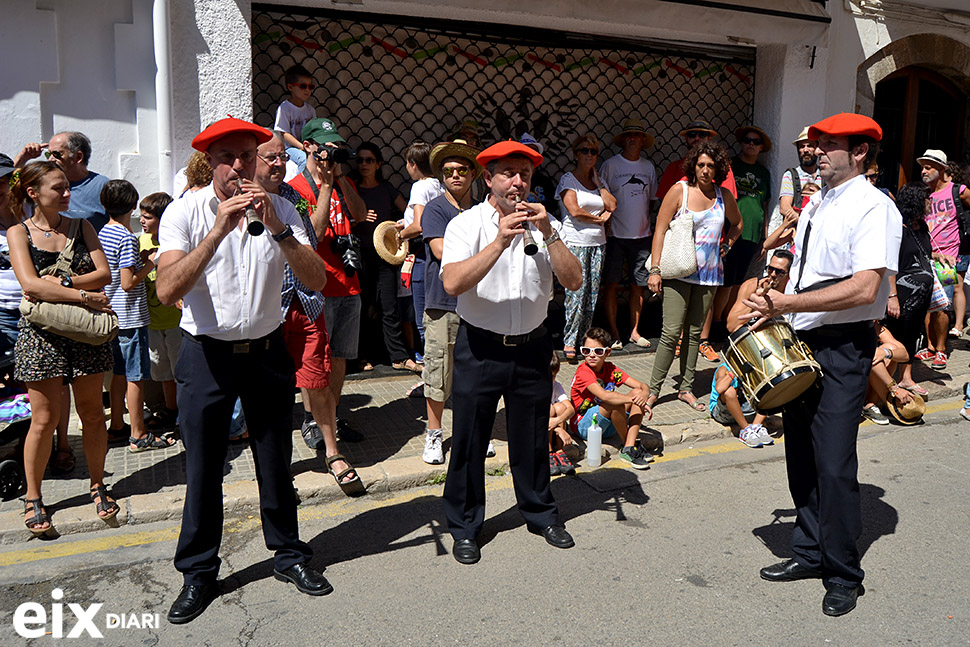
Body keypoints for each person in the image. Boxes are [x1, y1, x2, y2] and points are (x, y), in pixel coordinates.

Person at [156, 117, 331, 624]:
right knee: (204, 466)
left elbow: (315, 279)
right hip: (205, 353)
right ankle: (198, 572)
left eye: (248, 156)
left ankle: (289, 555)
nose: (240, 166)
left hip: (266, 349)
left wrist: (277, 229)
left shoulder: (282, 210)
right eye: (229, 157)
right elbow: (168, 291)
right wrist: (217, 230)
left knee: (275, 459)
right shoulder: (183, 214)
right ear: (211, 162)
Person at [743, 113, 901, 616]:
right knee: (802, 456)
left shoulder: (875, 207)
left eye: (829, 144)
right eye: (816, 144)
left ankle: (843, 573)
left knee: (833, 463)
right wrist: (775, 290)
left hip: (842, 345)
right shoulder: (817, 201)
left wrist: (788, 306)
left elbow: (866, 287)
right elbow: (806, 268)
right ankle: (809, 552)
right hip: (804, 336)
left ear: (859, 152)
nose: (817, 151)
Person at [440, 140, 583, 564]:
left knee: (532, 436)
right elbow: (452, 284)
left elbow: (573, 281)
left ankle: (540, 513)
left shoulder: (546, 223)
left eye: (524, 172)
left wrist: (551, 233)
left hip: (532, 346)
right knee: (468, 440)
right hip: (480, 346)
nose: (517, 181)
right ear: (489, 179)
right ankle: (465, 525)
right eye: (507, 173)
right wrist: (500, 242)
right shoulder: (467, 225)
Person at [8, 161, 118, 536]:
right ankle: (33, 496)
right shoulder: (18, 232)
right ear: (33, 193)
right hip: (42, 335)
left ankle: (98, 484)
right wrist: (85, 295)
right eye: (60, 188)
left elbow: (104, 272)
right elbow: (32, 286)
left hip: (85, 334)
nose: (68, 193)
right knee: (43, 418)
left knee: (90, 412)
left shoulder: (82, 225)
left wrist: (67, 280)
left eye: (67, 187)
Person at [256, 133, 359, 486]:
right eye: (270, 157)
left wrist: (331, 186)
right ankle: (276, 469)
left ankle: (333, 451)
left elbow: (312, 240)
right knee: (271, 391)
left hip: (304, 301)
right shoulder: (231, 201)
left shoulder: (293, 197)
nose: (279, 163)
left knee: (318, 380)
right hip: (265, 309)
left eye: (283, 156)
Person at [288, 117, 367, 444]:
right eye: (326, 147)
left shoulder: (338, 182)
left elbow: (360, 214)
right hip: (317, 287)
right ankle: (311, 420)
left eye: (336, 147)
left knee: (339, 357)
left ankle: (331, 416)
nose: (332, 153)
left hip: (349, 283)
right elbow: (315, 233)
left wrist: (341, 180)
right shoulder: (296, 189)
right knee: (315, 359)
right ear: (308, 147)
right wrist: (324, 186)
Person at [646, 142, 742, 412]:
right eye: (701, 165)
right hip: (679, 272)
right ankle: (654, 391)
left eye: (711, 165)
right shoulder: (681, 191)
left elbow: (738, 224)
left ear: (718, 169)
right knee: (670, 332)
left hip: (709, 275)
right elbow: (660, 230)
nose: (705, 170)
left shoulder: (724, 196)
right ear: (693, 166)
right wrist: (655, 269)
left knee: (694, 335)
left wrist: (728, 244)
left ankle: (685, 388)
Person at [98, 180, 176, 452]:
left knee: (118, 374)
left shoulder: (103, 232)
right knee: (135, 376)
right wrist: (151, 264)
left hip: (112, 315)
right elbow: (128, 282)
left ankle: (117, 426)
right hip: (131, 316)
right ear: (132, 206)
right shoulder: (127, 237)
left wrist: (140, 261)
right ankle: (139, 434)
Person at [419, 139, 481, 465]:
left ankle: (470, 433)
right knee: (438, 371)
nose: (454, 175)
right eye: (448, 171)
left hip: (478, 303)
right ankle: (433, 435)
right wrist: (486, 252)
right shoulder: (436, 209)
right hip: (443, 303)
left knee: (472, 374)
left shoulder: (482, 208)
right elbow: (442, 251)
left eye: (461, 170)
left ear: (473, 173)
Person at [699, 126, 772, 361]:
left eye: (756, 141)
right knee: (721, 283)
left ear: (761, 147)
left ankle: (724, 324)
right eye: (747, 140)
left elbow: (764, 205)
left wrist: (765, 235)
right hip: (729, 233)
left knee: (736, 284)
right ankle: (711, 330)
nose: (751, 144)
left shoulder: (763, 172)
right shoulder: (729, 167)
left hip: (752, 234)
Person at [712, 250, 794, 447]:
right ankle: (746, 428)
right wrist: (757, 298)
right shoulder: (752, 285)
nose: (772, 275)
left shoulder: (793, 292)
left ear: (790, 274)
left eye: (779, 272)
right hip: (747, 352)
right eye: (770, 269)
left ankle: (756, 426)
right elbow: (731, 325)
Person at [349, 141, 413, 371]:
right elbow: (341, 221)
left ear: (378, 164)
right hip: (361, 254)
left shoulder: (385, 189)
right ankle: (361, 356)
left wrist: (402, 224)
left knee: (389, 306)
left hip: (385, 255)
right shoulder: (353, 188)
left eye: (369, 160)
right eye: (360, 160)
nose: (364, 164)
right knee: (363, 306)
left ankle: (397, 356)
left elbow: (408, 210)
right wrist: (358, 219)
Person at [597, 119, 656, 349]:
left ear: (643, 141)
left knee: (637, 285)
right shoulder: (611, 165)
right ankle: (613, 332)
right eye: (629, 135)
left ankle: (634, 331)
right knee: (610, 284)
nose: (633, 138)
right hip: (615, 236)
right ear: (623, 140)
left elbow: (650, 201)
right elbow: (602, 197)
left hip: (641, 236)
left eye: (637, 135)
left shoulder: (648, 167)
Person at [556, 134, 612, 360]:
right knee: (576, 293)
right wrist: (599, 219)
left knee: (591, 294)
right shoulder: (568, 180)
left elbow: (613, 204)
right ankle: (569, 340)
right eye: (584, 151)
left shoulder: (598, 181)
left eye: (593, 151)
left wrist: (599, 185)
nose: (589, 155)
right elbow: (574, 210)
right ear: (575, 154)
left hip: (597, 243)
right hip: (576, 242)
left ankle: (583, 341)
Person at [570, 327, 654, 468]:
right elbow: (605, 396)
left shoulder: (611, 369)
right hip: (585, 426)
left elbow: (641, 385)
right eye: (586, 351)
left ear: (607, 353)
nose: (591, 355)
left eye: (598, 351)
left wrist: (644, 394)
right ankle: (630, 447)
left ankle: (629, 446)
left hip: (606, 424)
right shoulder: (583, 372)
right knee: (615, 401)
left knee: (636, 393)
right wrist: (636, 401)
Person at [916, 149, 970, 369]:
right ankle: (929, 347)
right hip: (925, 256)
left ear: (942, 169)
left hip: (947, 260)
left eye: (929, 167)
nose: (924, 171)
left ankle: (941, 349)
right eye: (923, 166)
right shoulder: (923, 194)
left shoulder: (959, 191)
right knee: (927, 304)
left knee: (943, 304)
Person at [882, 182, 933, 397]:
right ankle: (882, 385)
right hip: (901, 293)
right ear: (917, 202)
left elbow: (922, 255)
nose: (931, 203)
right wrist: (892, 296)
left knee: (912, 335)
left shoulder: (922, 227)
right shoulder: (897, 228)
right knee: (897, 334)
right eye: (927, 200)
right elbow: (890, 264)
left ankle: (906, 378)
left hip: (920, 296)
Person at [138, 192, 181, 430]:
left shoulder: (172, 243)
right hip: (153, 322)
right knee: (162, 369)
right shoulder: (141, 242)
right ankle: (170, 408)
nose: (142, 221)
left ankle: (184, 410)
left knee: (179, 370)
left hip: (174, 321)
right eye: (141, 216)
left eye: (147, 217)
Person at [398, 141, 445, 360]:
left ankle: (430, 373)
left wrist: (400, 235)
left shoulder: (420, 186)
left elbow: (419, 226)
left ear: (413, 164)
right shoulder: (439, 184)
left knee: (423, 320)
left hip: (421, 254)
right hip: (439, 252)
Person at [656, 119, 737, 202]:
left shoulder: (722, 167)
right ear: (686, 138)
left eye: (702, 134)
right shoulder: (673, 168)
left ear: (709, 138)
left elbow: (727, 201)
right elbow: (665, 202)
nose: (697, 138)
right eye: (692, 134)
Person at [862, 322, 913, 425]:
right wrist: (895, 388)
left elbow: (905, 355)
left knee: (890, 348)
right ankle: (883, 401)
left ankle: (872, 404)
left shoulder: (877, 328)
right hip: (853, 381)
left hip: (867, 378)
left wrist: (886, 353)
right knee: (872, 354)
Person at [274, 64, 317, 173]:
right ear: (290, 87)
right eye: (303, 86)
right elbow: (283, 133)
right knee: (304, 160)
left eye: (310, 86)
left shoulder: (310, 110)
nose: (307, 90)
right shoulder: (284, 108)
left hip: (306, 146)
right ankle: (302, 188)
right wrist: (302, 146)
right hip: (289, 148)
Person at [547, 352, 575, 476]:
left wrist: (557, 422)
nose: (551, 380)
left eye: (553, 376)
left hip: (551, 426)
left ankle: (559, 450)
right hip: (538, 429)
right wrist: (559, 430)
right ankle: (548, 452)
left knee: (560, 407)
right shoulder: (533, 389)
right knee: (550, 409)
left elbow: (571, 409)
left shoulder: (556, 386)